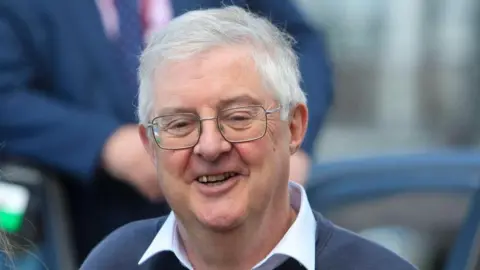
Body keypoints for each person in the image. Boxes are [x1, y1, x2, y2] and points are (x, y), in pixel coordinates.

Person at [81, 7, 417, 270]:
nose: (210, 146)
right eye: (180, 124)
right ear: (150, 147)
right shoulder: (115, 262)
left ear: (295, 127)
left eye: (238, 118)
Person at [0, 0, 331, 262]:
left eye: (239, 116)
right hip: (85, 222)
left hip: (258, 230)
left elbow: (302, 43)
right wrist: (104, 143)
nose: (209, 145)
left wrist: (289, 143)